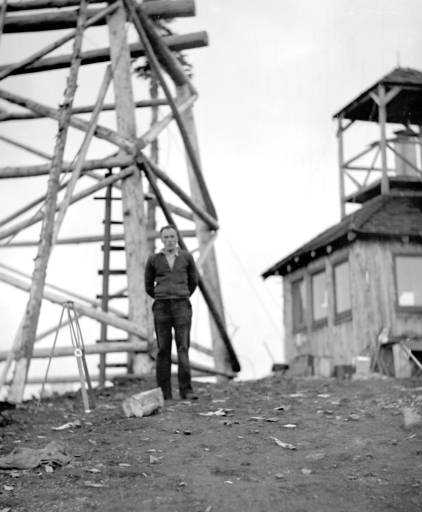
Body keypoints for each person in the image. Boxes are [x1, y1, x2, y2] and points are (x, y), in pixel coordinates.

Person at [144, 225, 198, 400]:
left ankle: (186, 390)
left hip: (182, 306)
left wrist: (180, 295)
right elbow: (148, 286)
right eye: (166, 237)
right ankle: (164, 393)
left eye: (172, 237)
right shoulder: (153, 259)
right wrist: (163, 295)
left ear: (177, 239)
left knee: (183, 348)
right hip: (161, 308)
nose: (169, 240)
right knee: (163, 350)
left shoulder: (186, 257)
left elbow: (193, 282)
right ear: (161, 240)